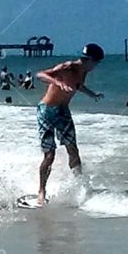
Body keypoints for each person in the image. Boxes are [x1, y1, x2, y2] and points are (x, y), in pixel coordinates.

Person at [33, 43, 105, 206]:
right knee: (49, 155)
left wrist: (92, 94)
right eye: (96, 63)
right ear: (89, 60)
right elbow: (40, 75)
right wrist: (58, 83)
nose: (96, 66)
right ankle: (41, 191)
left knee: (73, 150)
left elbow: (77, 85)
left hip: (63, 111)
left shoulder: (83, 72)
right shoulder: (67, 67)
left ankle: (81, 187)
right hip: (47, 110)